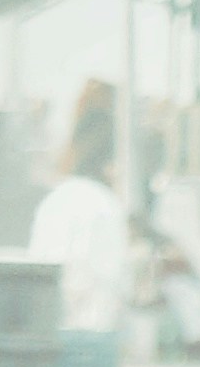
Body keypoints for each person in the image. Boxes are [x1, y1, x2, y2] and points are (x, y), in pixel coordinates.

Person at [26, 91, 129, 342]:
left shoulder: (54, 200)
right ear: (110, 162)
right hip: (88, 334)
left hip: (44, 326)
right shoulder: (105, 205)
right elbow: (109, 275)